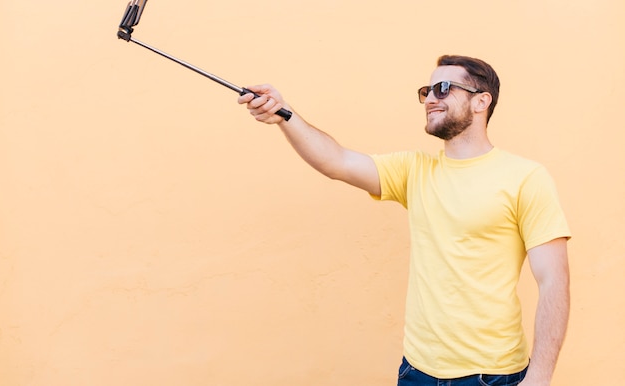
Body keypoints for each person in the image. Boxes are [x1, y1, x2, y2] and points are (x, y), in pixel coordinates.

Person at [238, 55, 571, 386]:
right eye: (427, 91)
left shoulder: (525, 178)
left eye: (443, 88)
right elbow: (336, 161)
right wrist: (284, 115)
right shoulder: (415, 171)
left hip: (492, 375)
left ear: (482, 101)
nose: (430, 100)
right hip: (416, 372)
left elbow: (553, 281)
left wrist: (539, 377)